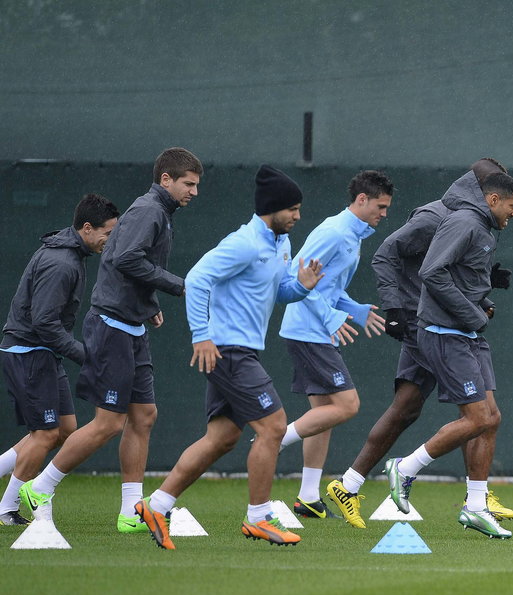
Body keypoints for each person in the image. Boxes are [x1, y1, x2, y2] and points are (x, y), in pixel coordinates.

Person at [133, 165, 325, 550]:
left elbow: (276, 292)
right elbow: (198, 278)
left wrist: (300, 288)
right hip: (228, 351)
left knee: (221, 438)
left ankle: (157, 504)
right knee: (273, 427)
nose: (298, 216)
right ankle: (258, 517)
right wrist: (201, 336)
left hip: (241, 350)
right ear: (273, 208)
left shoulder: (279, 244)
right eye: (293, 209)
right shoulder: (244, 243)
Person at [326, 159, 513, 528]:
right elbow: (387, 255)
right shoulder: (437, 217)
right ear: (484, 190)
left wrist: (486, 282)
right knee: (480, 414)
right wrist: (394, 309)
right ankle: (475, 496)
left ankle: (348, 485)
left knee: (407, 409)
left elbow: (447, 267)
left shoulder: (473, 219)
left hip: (438, 319)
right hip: (428, 323)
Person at [19, 148, 202, 531]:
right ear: (166, 179)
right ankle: (39, 487)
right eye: (188, 183)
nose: (194, 192)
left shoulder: (160, 213)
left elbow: (122, 258)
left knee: (144, 416)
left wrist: (146, 302)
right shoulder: (150, 210)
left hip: (130, 325)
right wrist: (177, 287)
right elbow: (125, 259)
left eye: (196, 185)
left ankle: (129, 513)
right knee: (108, 423)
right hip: (111, 327)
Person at [382, 171, 513, 539]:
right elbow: (432, 272)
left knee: (491, 418)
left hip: (468, 333)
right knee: (476, 418)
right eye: (512, 206)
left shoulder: (481, 226)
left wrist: (483, 303)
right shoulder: (463, 222)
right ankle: (405, 467)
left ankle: (475, 507)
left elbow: (464, 278)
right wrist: (472, 313)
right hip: (444, 334)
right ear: (493, 200)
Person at [275, 171, 390, 518]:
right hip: (308, 331)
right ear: (361, 200)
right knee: (347, 405)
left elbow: (327, 287)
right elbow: (299, 278)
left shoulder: (353, 236)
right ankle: (275, 438)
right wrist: (329, 318)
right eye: (380, 207)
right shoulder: (335, 233)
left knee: (323, 414)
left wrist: (351, 309)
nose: (383, 214)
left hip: (315, 330)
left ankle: (308, 498)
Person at [0, 194, 118, 525]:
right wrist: (87, 357)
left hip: (42, 353)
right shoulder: (62, 263)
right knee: (46, 434)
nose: (110, 241)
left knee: (65, 429)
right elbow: (45, 323)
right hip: (29, 353)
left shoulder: (71, 255)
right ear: (86, 228)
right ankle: (6, 510)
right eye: (108, 233)